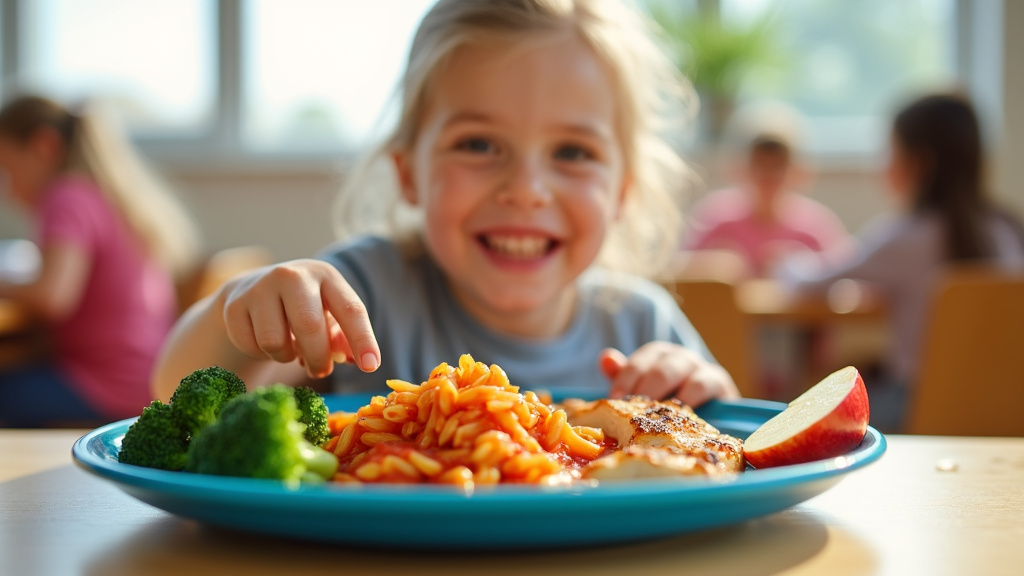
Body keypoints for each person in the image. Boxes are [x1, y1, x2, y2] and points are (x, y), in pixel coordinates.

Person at [152, 0, 739, 406]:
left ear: (622, 191)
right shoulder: (365, 293)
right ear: (410, 174)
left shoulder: (642, 322)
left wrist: (701, 392)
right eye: (478, 144)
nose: (526, 189)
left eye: (573, 152)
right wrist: (236, 312)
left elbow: (731, 447)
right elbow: (176, 395)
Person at [777, 92, 1024, 431]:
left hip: (918, 407)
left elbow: (807, 283)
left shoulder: (905, 237)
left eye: (889, 150)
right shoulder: (1008, 229)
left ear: (918, 162)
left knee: (827, 407)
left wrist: (783, 262)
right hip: (1009, 407)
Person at [0, 95, 200, 426]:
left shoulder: (67, 196)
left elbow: (52, 296)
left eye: (7, 169)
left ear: (43, 146)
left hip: (108, 386)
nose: (7, 190)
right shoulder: (107, 194)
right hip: (146, 376)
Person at [684, 102, 850, 278]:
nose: (768, 175)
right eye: (760, 164)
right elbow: (678, 270)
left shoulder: (816, 228)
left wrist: (799, 266)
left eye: (778, 165)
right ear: (744, 166)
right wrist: (716, 265)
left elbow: (846, 275)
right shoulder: (714, 219)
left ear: (795, 169)